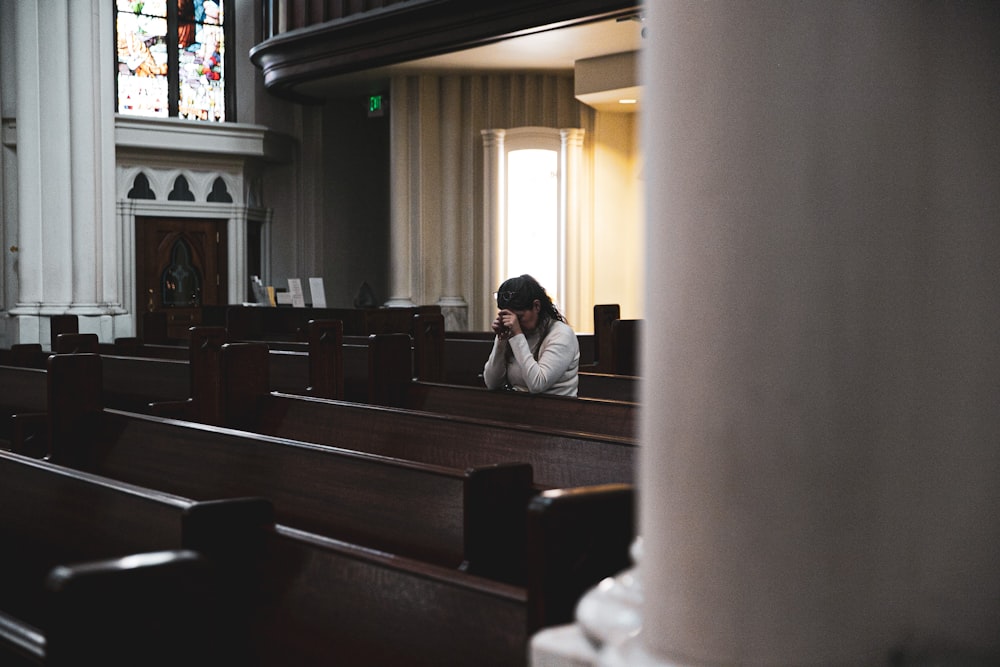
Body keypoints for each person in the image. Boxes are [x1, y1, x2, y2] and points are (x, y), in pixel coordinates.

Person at [483, 274, 580, 396]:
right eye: (507, 317)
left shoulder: (562, 334)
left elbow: (537, 384)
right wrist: (501, 340)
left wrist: (517, 335)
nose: (513, 322)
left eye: (519, 317)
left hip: (556, 410)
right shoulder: (513, 333)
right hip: (520, 408)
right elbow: (492, 383)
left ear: (536, 306)